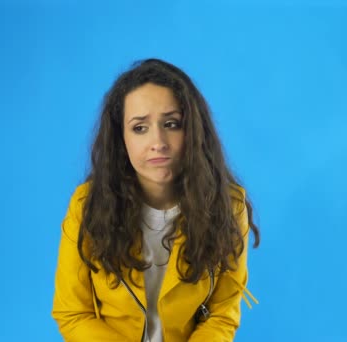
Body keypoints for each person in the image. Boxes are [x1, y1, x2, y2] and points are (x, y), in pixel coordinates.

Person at [51, 58, 260, 341]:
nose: (158, 141)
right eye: (139, 128)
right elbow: (73, 313)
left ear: (193, 131)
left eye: (172, 124)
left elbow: (223, 314)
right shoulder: (86, 206)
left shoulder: (228, 207)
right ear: (120, 139)